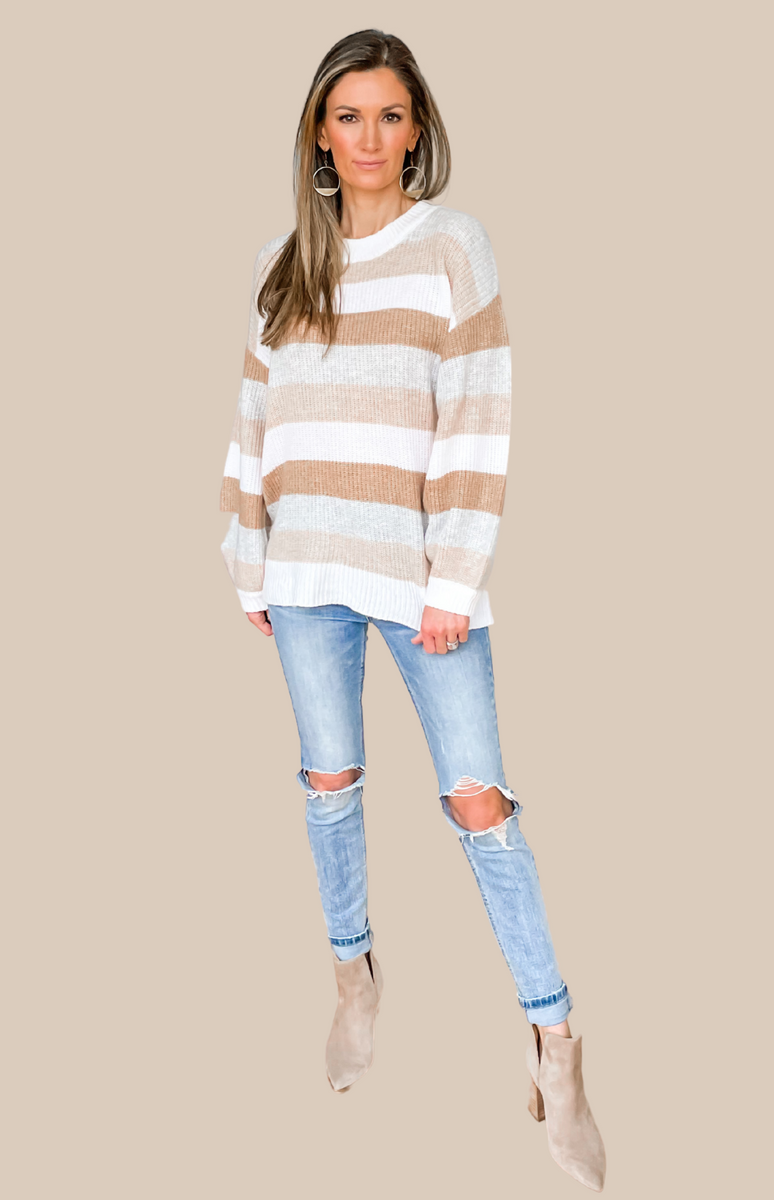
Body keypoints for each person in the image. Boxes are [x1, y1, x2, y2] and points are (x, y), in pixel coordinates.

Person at [219, 29, 606, 1191]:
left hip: (418, 579)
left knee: (478, 802)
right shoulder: (282, 264)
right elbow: (253, 420)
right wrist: (248, 558)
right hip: (304, 575)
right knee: (327, 783)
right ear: (318, 130)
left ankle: (554, 1042)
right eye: (348, 116)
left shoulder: (452, 247)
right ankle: (353, 977)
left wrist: (451, 580)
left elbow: (478, 414)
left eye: (390, 116)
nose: (369, 137)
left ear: (416, 129)